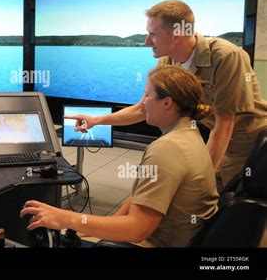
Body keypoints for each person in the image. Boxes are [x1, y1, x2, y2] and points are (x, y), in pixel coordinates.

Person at [68, 0, 267, 191]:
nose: (146, 41)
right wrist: (96, 120)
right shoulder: (167, 62)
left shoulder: (226, 56)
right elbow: (142, 108)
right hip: (216, 136)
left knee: (233, 208)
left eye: (152, 34)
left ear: (178, 34)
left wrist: (199, 181)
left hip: (248, 142)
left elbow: (225, 123)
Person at [21, 66, 218, 247]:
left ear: (166, 103)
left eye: (146, 95)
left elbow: (137, 229)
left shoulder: (168, 149)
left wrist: (67, 218)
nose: (142, 103)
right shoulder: (190, 136)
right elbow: (140, 199)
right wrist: (101, 229)